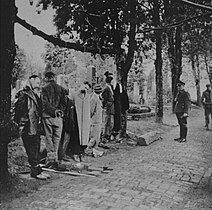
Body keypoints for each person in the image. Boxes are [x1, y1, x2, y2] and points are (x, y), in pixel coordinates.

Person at [13, 75, 49, 180]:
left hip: (34, 126)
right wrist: (21, 125)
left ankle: (38, 171)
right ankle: (35, 172)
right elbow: (19, 112)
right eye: (37, 82)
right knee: (32, 150)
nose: (38, 85)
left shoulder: (34, 94)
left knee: (36, 148)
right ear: (31, 81)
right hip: (27, 127)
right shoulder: (24, 94)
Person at [41, 71, 68, 169]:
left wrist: (53, 111)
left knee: (48, 138)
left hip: (48, 116)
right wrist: (59, 111)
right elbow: (64, 102)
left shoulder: (44, 89)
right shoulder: (60, 88)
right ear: (54, 77)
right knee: (57, 138)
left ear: (46, 78)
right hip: (58, 117)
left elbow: (45, 103)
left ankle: (50, 159)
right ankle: (55, 158)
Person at [69, 81, 91, 157]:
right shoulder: (74, 95)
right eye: (84, 87)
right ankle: (76, 152)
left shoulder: (88, 96)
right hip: (77, 118)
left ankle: (82, 151)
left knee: (84, 135)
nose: (85, 89)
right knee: (77, 135)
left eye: (87, 89)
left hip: (85, 119)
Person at [88, 84, 104, 157]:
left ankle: (95, 150)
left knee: (97, 137)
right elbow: (90, 111)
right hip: (94, 121)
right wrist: (91, 120)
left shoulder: (98, 98)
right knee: (94, 138)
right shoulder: (93, 99)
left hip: (98, 120)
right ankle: (90, 150)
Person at [102, 76, 114, 142]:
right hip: (108, 106)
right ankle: (104, 136)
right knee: (106, 121)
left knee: (110, 122)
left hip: (111, 106)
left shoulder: (110, 87)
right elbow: (104, 98)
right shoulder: (106, 88)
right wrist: (106, 105)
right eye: (110, 81)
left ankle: (108, 135)